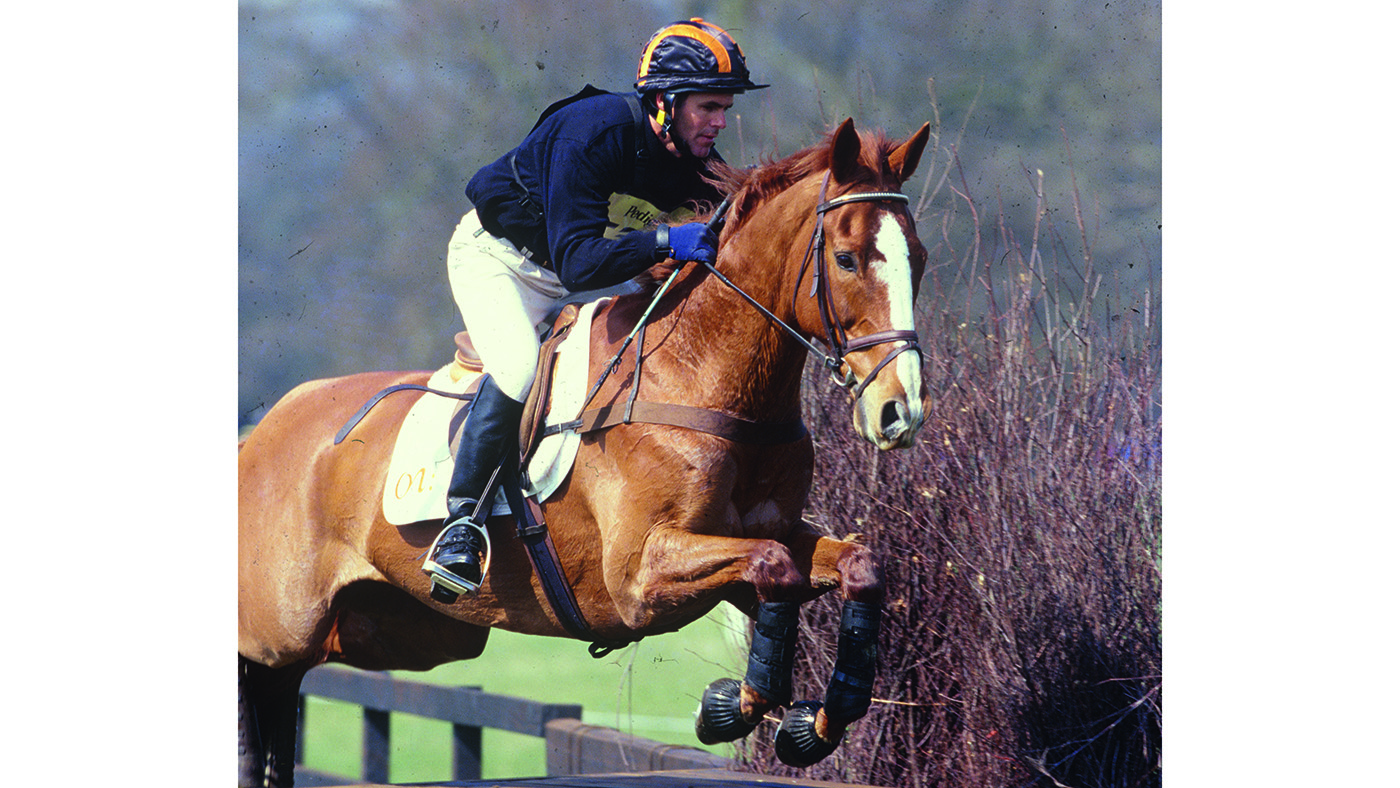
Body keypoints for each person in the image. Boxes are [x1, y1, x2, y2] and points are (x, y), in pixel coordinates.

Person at [423, 18, 767, 602]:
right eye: (709, 107)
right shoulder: (593, 131)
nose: (720, 122)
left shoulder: (687, 155)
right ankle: (462, 523)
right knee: (517, 367)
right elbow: (582, 263)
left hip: (569, 274)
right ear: (664, 102)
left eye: (725, 109)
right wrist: (664, 243)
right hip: (501, 264)